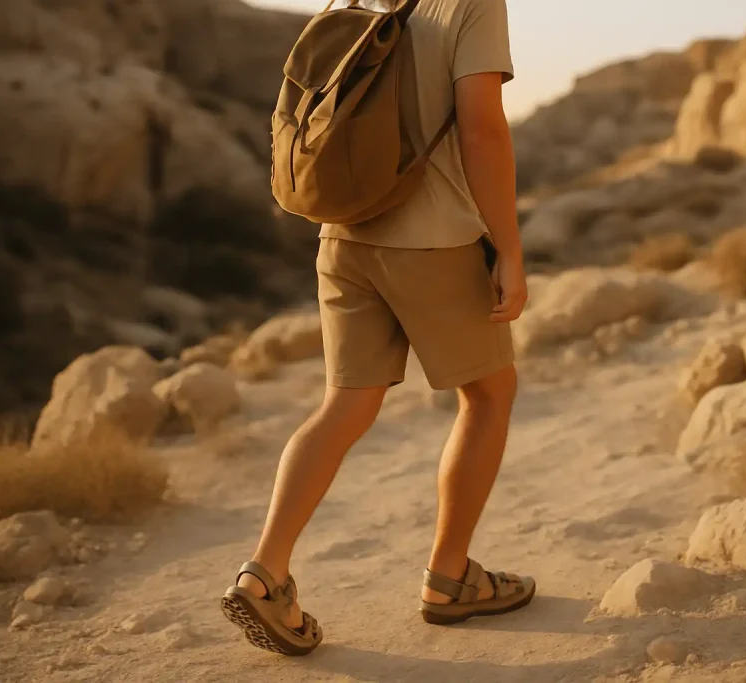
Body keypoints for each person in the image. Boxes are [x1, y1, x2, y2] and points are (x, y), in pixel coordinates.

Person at [220, 0, 533, 656]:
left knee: (345, 403)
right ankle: (450, 578)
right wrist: (508, 245)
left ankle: (264, 571)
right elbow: (483, 129)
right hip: (433, 241)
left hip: (344, 233)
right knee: (488, 393)